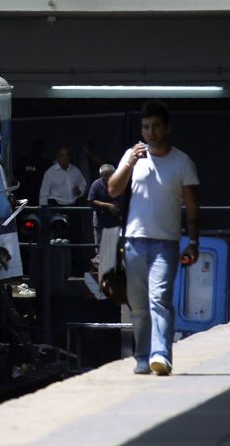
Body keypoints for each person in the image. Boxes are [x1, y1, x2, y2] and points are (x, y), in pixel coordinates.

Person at [108, 101, 199, 376]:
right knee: (138, 306)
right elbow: (113, 189)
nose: (151, 132)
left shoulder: (182, 162)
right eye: (146, 127)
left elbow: (192, 208)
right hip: (134, 240)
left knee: (159, 299)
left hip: (166, 243)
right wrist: (129, 163)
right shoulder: (132, 156)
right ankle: (142, 357)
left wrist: (193, 242)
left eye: (156, 126)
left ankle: (161, 355)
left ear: (167, 128)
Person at [88, 163, 122, 245]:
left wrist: (118, 204)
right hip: (101, 221)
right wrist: (108, 205)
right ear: (101, 175)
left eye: (111, 175)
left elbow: (125, 198)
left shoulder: (119, 183)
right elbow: (91, 200)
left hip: (115, 221)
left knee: (115, 247)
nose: (108, 177)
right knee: (100, 246)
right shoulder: (96, 184)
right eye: (106, 175)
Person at [16, 140, 49, 206]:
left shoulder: (46, 163)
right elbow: (16, 177)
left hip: (41, 196)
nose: (37, 151)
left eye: (39, 149)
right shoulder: (23, 162)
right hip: (25, 195)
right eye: (35, 149)